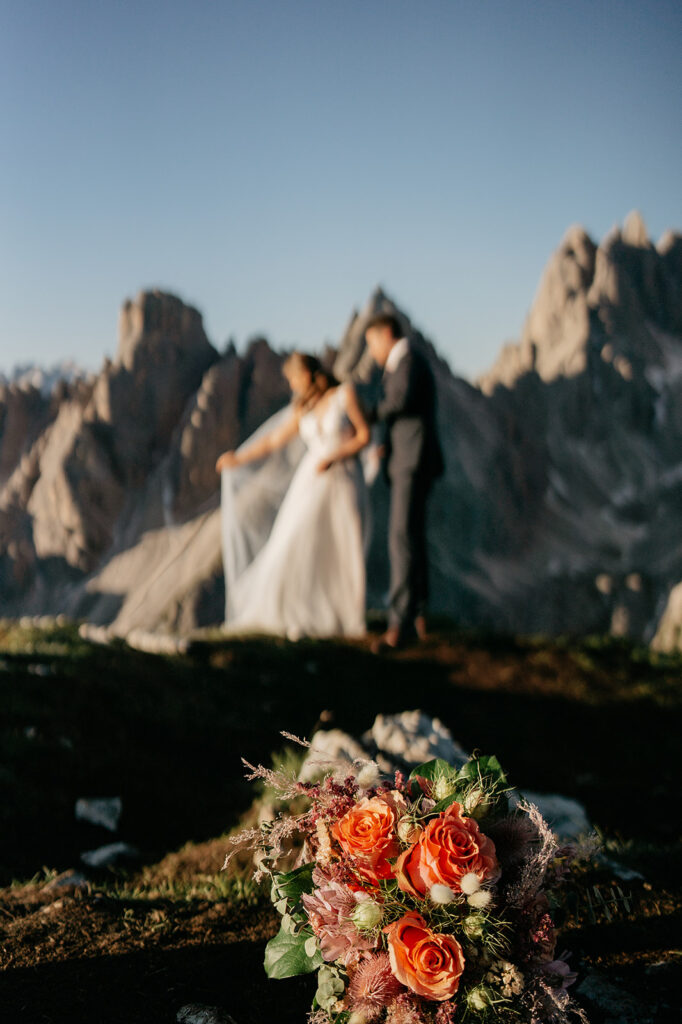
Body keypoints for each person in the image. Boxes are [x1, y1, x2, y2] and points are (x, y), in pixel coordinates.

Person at [215, 353, 370, 639]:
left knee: (340, 543)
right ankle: (300, 611)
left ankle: (342, 616)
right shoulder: (303, 409)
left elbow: (364, 436)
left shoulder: (344, 395)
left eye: (294, 378)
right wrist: (239, 458)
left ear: (308, 374)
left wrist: (335, 456)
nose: (293, 385)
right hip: (310, 481)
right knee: (297, 540)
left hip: (343, 479)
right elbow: (273, 440)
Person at [364, 313, 444, 651]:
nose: (371, 353)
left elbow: (403, 401)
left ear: (385, 335)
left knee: (401, 537)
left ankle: (401, 622)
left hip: (412, 460)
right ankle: (419, 612)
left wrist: (370, 414)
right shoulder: (405, 363)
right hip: (408, 457)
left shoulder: (408, 360)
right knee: (411, 535)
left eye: (371, 344)